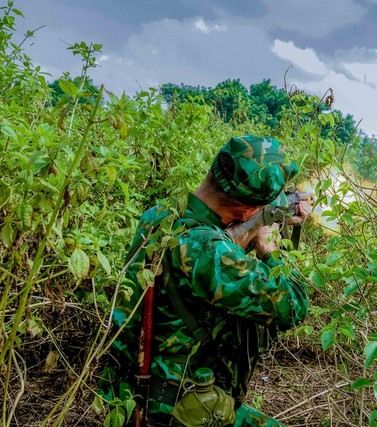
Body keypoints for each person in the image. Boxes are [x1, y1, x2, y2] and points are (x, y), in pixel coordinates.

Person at [107, 135, 311, 426]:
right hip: (180, 407)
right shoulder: (210, 251)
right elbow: (294, 304)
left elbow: (225, 235)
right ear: (245, 212)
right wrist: (269, 248)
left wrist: (266, 218)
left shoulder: (162, 213)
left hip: (133, 389)